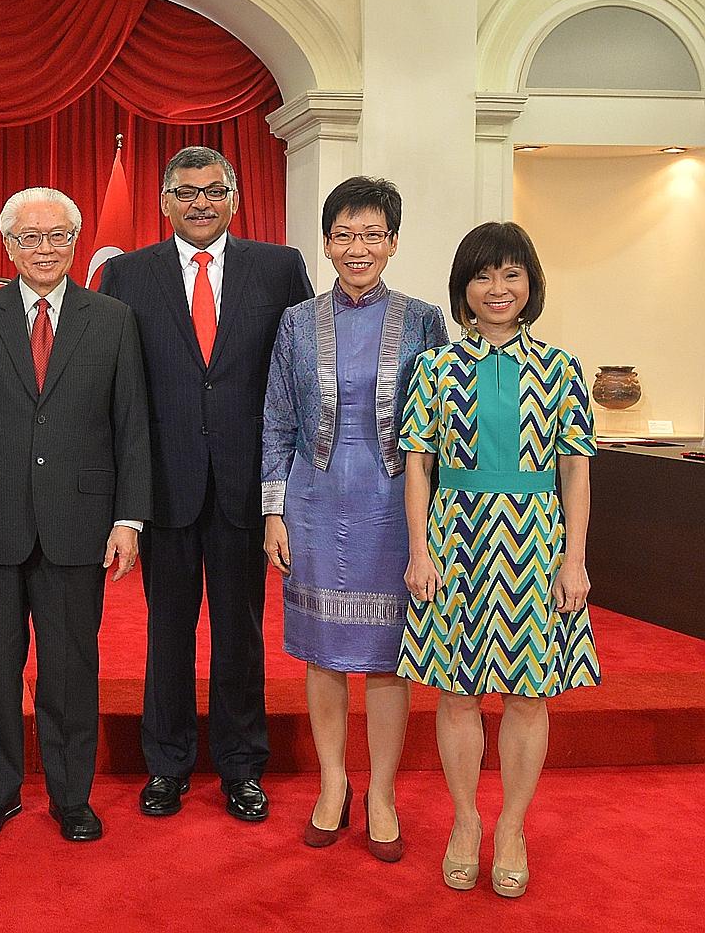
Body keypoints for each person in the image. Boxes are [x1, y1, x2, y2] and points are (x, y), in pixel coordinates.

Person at [99, 146, 312, 822]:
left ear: (235, 199)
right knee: (167, 633)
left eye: (213, 191)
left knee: (240, 633)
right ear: (164, 202)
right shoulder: (126, 275)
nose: (199, 203)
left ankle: (242, 768)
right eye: (185, 193)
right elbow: (114, 392)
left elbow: (298, 374)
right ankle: (166, 766)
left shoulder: (278, 268)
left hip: (247, 487)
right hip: (163, 487)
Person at [0, 187, 151, 842]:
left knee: (70, 671)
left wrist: (128, 521)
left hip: (79, 525)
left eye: (57, 236)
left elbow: (131, 426)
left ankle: (70, 797)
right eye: (30, 238)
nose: (45, 248)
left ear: (76, 242)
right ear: (8, 246)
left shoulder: (112, 318)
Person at [397, 221, 599, 898]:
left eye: (510, 274)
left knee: (528, 695)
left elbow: (575, 472)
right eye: (483, 275)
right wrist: (420, 552)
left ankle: (512, 826)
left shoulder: (561, 368)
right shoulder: (436, 367)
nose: (497, 287)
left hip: (536, 543)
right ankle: (464, 822)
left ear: (530, 284)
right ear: (464, 289)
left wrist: (575, 559)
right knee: (454, 693)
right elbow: (418, 467)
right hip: (454, 542)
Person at [260, 177, 448, 860]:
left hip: (395, 510)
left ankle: (384, 792)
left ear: (393, 242)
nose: (358, 247)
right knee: (322, 655)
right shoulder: (296, 321)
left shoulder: (425, 319)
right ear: (327, 242)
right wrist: (273, 510)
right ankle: (334, 784)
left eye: (372, 234)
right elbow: (277, 416)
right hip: (313, 502)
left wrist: (438, 528)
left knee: (388, 658)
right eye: (344, 235)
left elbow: (438, 430)